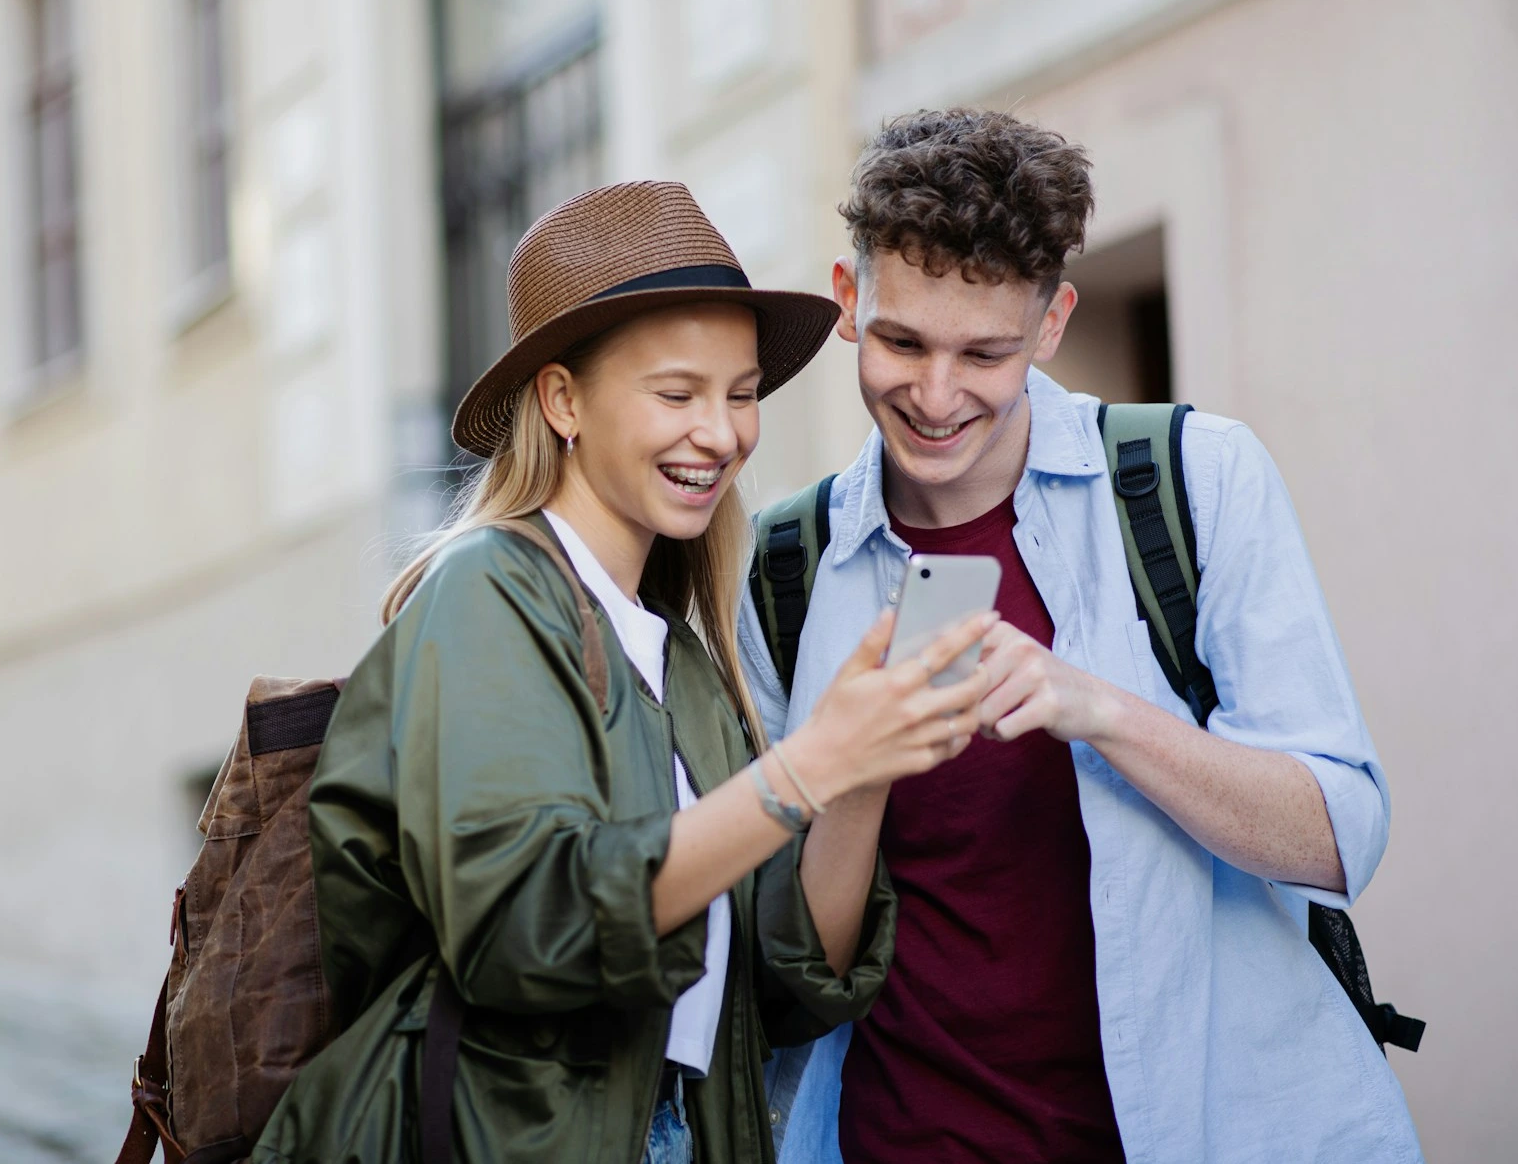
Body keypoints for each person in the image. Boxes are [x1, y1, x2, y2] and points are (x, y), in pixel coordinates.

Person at [249, 181, 998, 1164]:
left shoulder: (680, 652)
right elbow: (527, 925)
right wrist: (801, 770)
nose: (722, 434)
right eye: (677, 393)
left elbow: (790, 987)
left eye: (739, 395)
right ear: (564, 399)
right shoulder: (487, 593)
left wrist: (859, 774)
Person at [750, 109, 1422, 1162]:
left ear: (1053, 320)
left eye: (985, 352)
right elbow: (797, 971)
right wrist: (855, 767)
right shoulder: (782, 565)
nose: (934, 395)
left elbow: (1342, 836)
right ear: (849, 300)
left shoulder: (1198, 476)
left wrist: (1100, 709)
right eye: (902, 341)